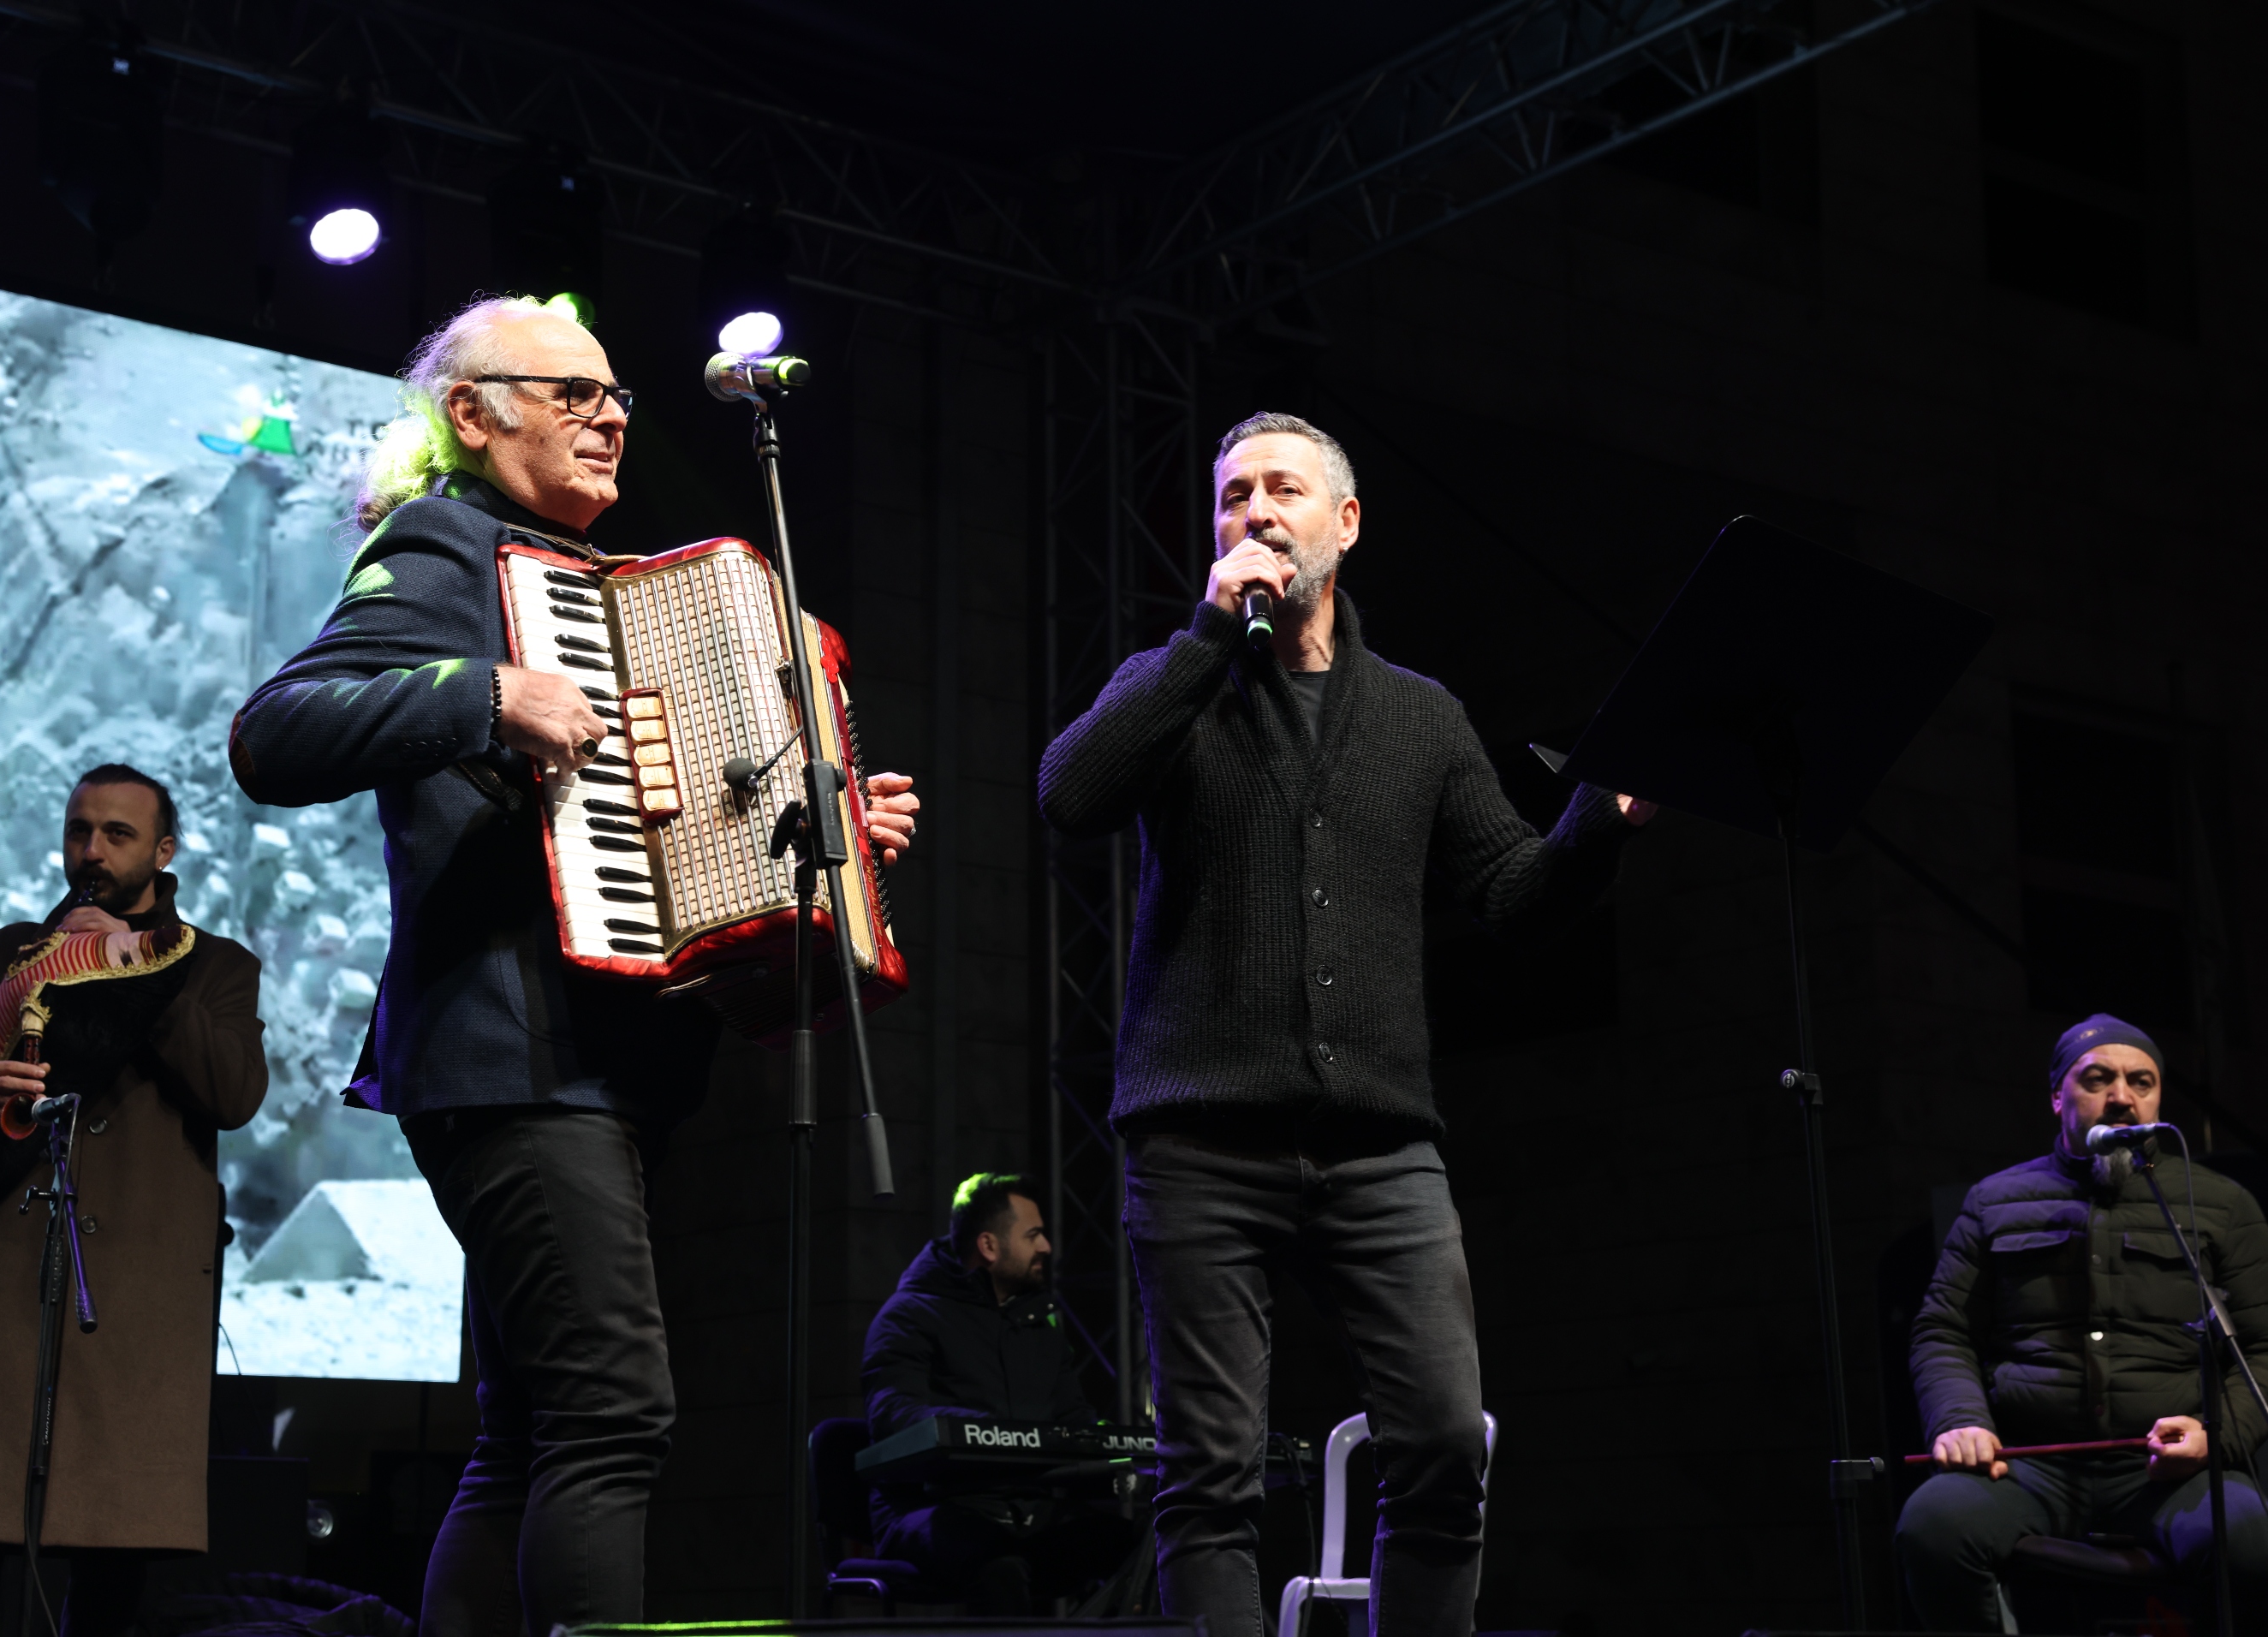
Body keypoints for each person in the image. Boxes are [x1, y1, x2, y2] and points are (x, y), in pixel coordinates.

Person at [228, 295, 918, 1634]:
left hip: (597, 1065)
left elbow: (678, 830)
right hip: (506, 1056)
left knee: (531, 1432)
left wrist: (825, 827)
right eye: (572, 395)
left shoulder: (602, 587)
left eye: (615, 398)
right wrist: (485, 694)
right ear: (472, 414)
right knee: (611, 1410)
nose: (611, 418)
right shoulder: (442, 542)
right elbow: (276, 732)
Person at [1037, 411, 1652, 1637]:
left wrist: (1596, 820)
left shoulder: (1418, 716)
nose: (1254, 511)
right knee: (1207, 1476)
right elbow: (1071, 792)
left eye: (1281, 489)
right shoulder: (1174, 681)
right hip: (1199, 1139)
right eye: (1231, 495)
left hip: (1377, 1146)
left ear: (1346, 522)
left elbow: (1510, 894)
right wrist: (1207, 637)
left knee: (1443, 1446)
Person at [0, 765, 268, 1637]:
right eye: (79, 830)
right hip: (12, 1281)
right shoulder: (17, 951)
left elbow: (234, 1091)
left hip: (138, 1301)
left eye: (117, 834)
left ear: (163, 851)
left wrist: (134, 969)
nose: (92, 851)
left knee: (115, 1561)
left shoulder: (213, 965)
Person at [1897, 1012, 2268, 1628]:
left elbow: (2262, 1346)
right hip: (2027, 1465)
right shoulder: (1994, 1202)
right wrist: (1959, 1420)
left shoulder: (2221, 1205)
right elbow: (1943, 1331)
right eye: (2097, 1079)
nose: (2121, 1097)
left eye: (2141, 1082)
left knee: (2252, 1544)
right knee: (1933, 1527)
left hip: (2169, 1472)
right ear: (2056, 1096)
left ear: (2157, 1098)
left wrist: (2216, 1435)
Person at [860, 1173, 1143, 1612]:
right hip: (932, 1509)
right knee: (998, 1565)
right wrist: (993, 1433)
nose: (1046, 1246)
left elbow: (1073, 1419)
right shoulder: (908, 1316)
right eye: (1033, 1235)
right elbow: (893, 1416)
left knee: (1147, 1548)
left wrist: (1110, 1445)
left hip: (1028, 1510)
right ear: (989, 1246)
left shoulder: (1038, 1323)